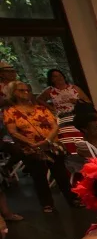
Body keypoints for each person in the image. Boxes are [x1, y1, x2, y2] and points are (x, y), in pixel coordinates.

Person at [3, 80, 75, 213]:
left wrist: (47, 140)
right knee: (39, 177)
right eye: (21, 90)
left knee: (61, 174)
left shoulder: (40, 108)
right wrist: (32, 144)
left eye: (27, 90)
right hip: (31, 148)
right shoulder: (10, 111)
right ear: (13, 93)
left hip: (50, 145)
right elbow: (13, 131)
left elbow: (55, 125)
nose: (26, 93)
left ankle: (72, 199)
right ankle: (47, 204)